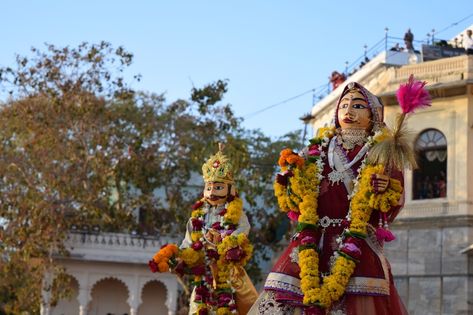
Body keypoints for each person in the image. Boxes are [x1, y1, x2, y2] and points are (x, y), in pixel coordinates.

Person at [249, 82, 408, 314]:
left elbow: (394, 197)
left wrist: (384, 187)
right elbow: (298, 198)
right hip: (313, 239)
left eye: (358, 105)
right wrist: (290, 180)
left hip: (357, 241)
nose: (348, 111)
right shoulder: (316, 150)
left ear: (374, 115)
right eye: (343, 105)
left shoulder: (381, 152)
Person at [150, 144, 258, 314]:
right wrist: (178, 258)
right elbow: (188, 244)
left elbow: (243, 230)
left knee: (238, 306)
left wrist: (225, 239)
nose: (212, 191)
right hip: (204, 272)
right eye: (209, 187)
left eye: (218, 187)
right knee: (199, 306)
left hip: (228, 272)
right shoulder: (195, 219)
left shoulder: (236, 214)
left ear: (230, 189)